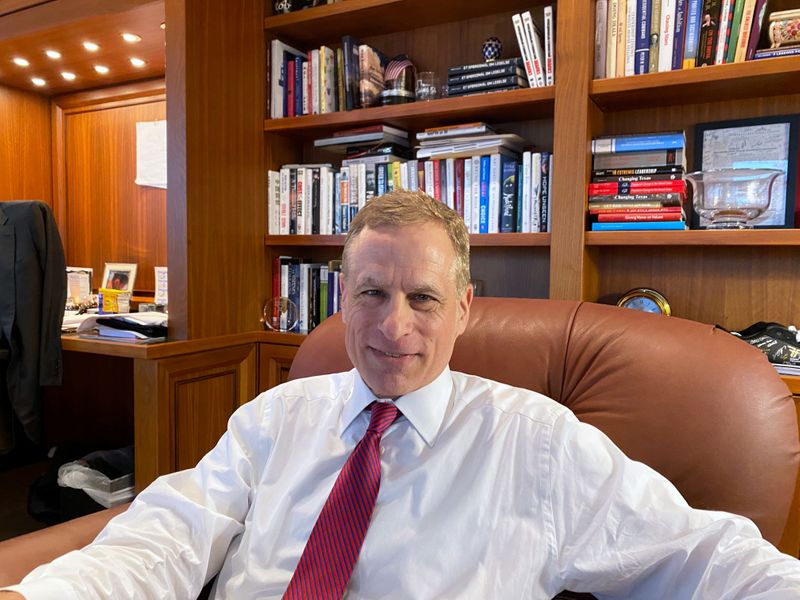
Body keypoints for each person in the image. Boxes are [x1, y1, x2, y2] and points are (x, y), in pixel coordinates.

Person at [3, 190, 800, 599]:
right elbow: (166, 537)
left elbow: (705, 556)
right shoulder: (277, 417)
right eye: (371, 294)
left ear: (463, 308)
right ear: (341, 299)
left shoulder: (539, 443)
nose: (393, 327)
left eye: (422, 298)